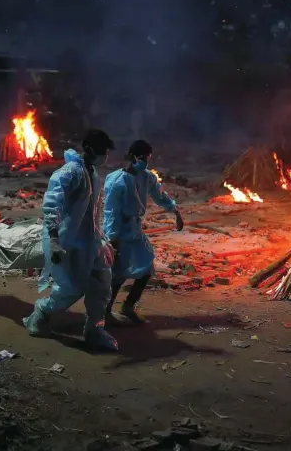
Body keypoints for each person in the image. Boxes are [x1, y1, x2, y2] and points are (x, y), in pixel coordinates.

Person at [22, 129, 118, 351]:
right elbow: (51, 207)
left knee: (101, 284)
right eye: (104, 151)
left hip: (90, 242)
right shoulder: (68, 173)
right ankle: (41, 313)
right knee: (71, 289)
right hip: (68, 242)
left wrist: (101, 238)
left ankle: (94, 329)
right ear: (90, 149)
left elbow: (93, 212)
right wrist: (54, 240)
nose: (106, 156)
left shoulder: (91, 173)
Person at [103, 140, 184, 325]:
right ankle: (105, 312)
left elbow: (159, 195)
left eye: (148, 158)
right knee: (117, 274)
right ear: (132, 157)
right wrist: (112, 239)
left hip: (135, 230)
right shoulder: (116, 181)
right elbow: (111, 212)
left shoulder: (146, 177)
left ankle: (128, 306)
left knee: (146, 268)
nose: (145, 162)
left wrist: (175, 212)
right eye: (143, 158)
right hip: (120, 231)